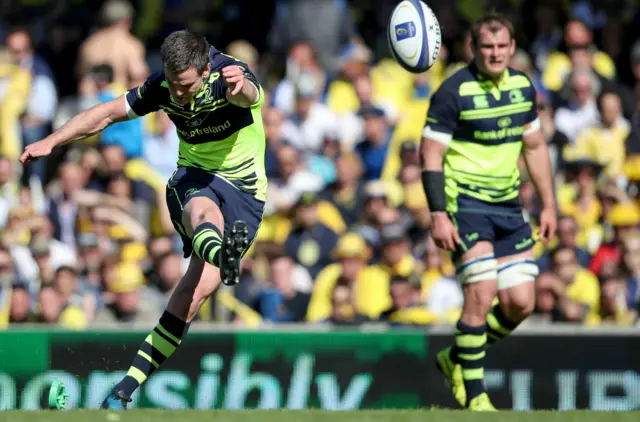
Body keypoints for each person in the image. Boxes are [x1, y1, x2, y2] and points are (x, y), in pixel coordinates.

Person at [20, 30, 266, 410]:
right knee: (203, 212)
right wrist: (52, 141)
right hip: (194, 177)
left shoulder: (230, 75)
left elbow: (248, 94)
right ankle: (221, 253)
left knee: (193, 295)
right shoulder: (163, 86)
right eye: (172, 83)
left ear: (204, 70)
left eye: (185, 86)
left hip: (245, 189)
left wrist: (241, 87)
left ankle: (125, 387)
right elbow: (103, 115)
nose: (178, 95)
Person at [420, 13, 557, 411]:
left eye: (502, 46)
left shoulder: (522, 87)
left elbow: (534, 148)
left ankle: (458, 358)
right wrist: (438, 213)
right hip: (465, 204)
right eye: (487, 47)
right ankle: (476, 397)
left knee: (521, 303)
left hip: (509, 206)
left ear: (512, 48)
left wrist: (549, 204)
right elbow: (430, 154)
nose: (495, 53)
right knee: (481, 291)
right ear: (473, 49)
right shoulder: (452, 91)